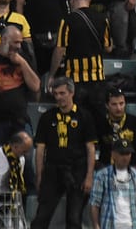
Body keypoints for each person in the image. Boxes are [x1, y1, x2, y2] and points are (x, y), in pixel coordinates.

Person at [31, 76, 97, 229]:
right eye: (56, 94)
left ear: (71, 93)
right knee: (41, 217)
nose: (59, 97)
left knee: (74, 219)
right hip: (53, 170)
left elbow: (90, 148)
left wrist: (89, 176)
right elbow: (40, 149)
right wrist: (40, 176)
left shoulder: (84, 116)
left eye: (62, 93)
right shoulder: (47, 117)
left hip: (77, 170)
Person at [49, 0, 110, 115]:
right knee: (97, 118)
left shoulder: (67, 20)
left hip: (75, 78)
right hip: (98, 78)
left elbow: (60, 49)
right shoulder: (103, 19)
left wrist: (52, 75)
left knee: (77, 117)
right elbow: (108, 47)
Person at [89, 138, 136, 229]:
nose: (125, 157)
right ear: (113, 154)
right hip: (110, 225)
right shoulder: (102, 175)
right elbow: (94, 204)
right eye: (122, 154)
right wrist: (96, 226)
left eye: (128, 154)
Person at [94, 87, 136, 171]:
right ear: (107, 105)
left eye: (121, 103)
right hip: (105, 168)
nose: (119, 108)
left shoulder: (135, 121)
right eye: (114, 104)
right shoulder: (100, 123)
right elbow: (89, 145)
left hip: (131, 168)